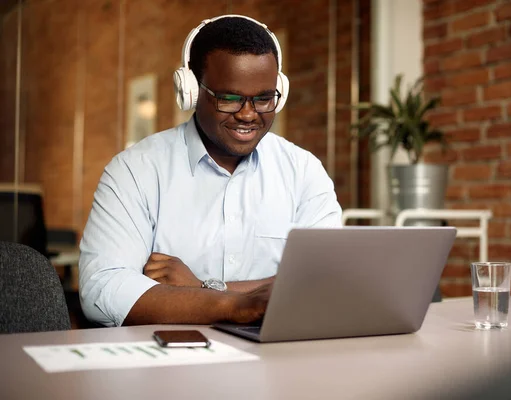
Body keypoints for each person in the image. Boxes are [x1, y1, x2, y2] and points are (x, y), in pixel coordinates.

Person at [78, 15, 342, 327]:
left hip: (276, 358)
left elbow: (327, 280)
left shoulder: (303, 171)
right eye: (229, 99)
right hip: (169, 360)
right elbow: (103, 289)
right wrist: (239, 305)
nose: (248, 115)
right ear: (190, 91)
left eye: (263, 99)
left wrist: (203, 290)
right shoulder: (135, 171)